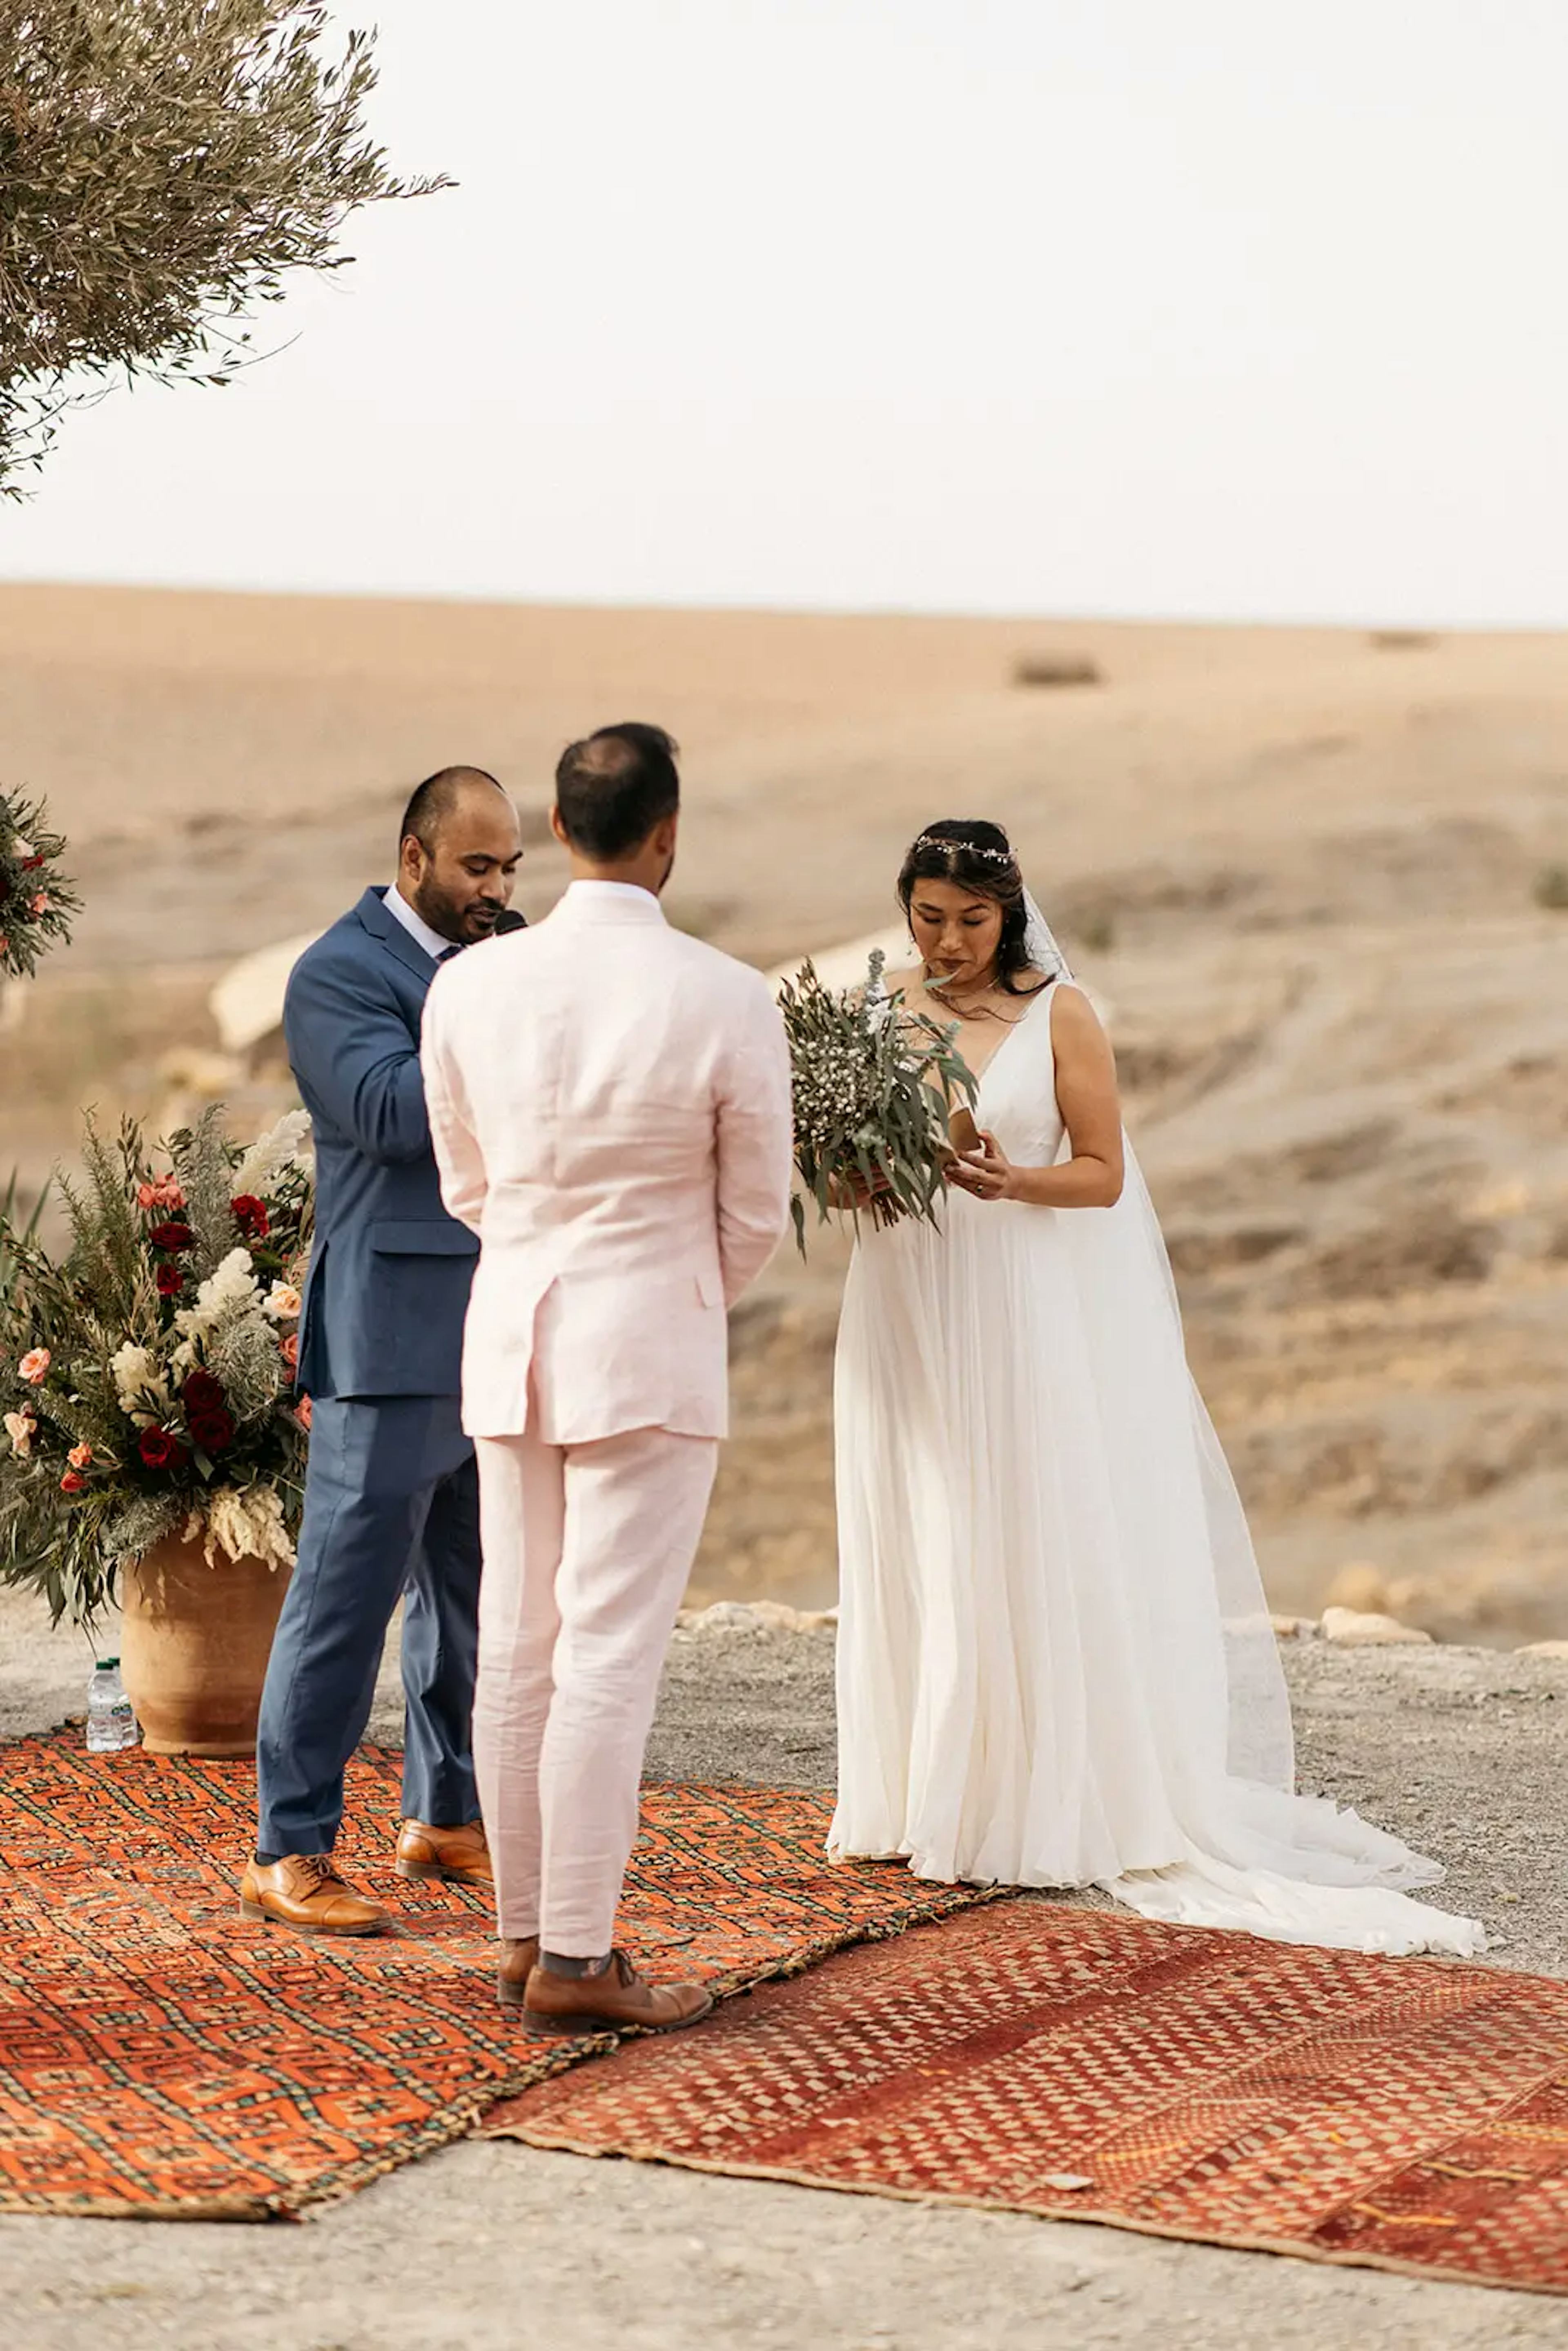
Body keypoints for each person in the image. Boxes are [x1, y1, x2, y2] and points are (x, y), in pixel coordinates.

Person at [828, 818, 1485, 1958]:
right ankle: (915, 1790)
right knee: (923, 1526)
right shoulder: (880, 1009)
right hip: (908, 1302)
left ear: (1012, 910)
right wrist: (858, 1177)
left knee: (1018, 1529)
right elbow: (842, 1174)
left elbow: (1103, 1174)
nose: (948, 943)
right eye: (928, 919)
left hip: (1019, 1304)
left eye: (971, 922)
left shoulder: (1062, 1015)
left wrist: (1008, 1178)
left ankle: (1028, 1797)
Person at [423, 724, 793, 2032]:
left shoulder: (467, 987)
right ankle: (580, 1957)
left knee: (520, 1643)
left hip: (513, 1325)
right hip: (647, 1342)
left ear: (563, 833)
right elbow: (754, 1209)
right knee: (608, 1654)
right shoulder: (726, 993)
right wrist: (675, 1291)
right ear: (668, 833)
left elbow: (466, 1181)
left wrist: (547, 1254)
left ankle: (525, 1938)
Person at [240, 767, 524, 1935]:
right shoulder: (339, 973)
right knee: (344, 1601)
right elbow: (392, 1114)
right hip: (392, 1331)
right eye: (478, 867)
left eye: (512, 868)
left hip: (501, 1319)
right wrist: (513, 1025)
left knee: (471, 1591)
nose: (498, 890)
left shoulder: (494, 961)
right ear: (414, 860)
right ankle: (286, 1845)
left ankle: (444, 1814)